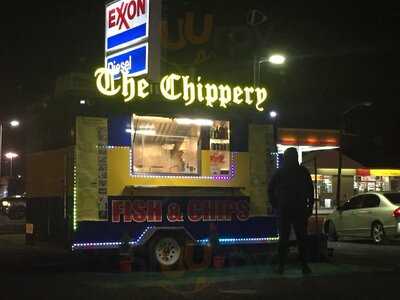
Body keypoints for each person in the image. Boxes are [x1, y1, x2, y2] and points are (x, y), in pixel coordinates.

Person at [268, 147, 314, 275]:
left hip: (287, 209)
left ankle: (284, 266)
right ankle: (302, 266)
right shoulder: (302, 171)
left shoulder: (282, 171)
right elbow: (311, 191)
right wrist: (310, 206)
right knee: (300, 238)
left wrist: (276, 204)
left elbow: (270, 189)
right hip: (296, 209)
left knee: (286, 239)